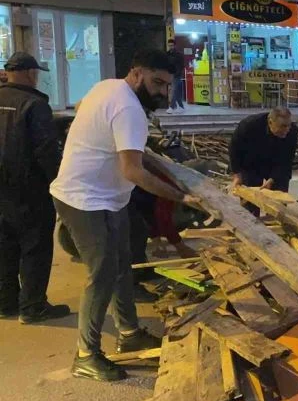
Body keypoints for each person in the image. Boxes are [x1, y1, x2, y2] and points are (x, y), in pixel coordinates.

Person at [50, 49, 201, 382]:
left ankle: (129, 332)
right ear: (136, 73)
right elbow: (132, 170)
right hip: (85, 200)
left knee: (122, 267)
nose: (161, 91)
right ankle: (86, 355)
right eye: (156, 82)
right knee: (102, 275)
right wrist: (181, 196)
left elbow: (99, 127)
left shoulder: (106, 87)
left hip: (108, 199)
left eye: (167, 85)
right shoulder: (129, 108)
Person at [0, 52, 70, 323]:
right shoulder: (34, 104)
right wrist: (59, 182)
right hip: (29, 189)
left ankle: (5, 303)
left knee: (5, 244)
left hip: (2, 190)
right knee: (35, 245)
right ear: (30, 73)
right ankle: (32, 306)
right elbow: (45, 150)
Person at [229, 107, 298, 216]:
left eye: (289, 125)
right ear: (271, 122)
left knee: (278, 203)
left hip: (276, 164)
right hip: (251, 163)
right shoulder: (249, 126)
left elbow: (287, 160)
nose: (287, 129)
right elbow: (234, 149)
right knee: (250, 202)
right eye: (283, 126)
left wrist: (273, 179)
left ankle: (278, 223)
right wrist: (237, 174)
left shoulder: (292, 131)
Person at [166, 39, 185, 114]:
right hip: (169, 75)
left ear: (175, 45)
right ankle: (181, 106)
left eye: (172, 45)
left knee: (174, 90)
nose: (170, 47)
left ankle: (172, 107)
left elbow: (181, 65)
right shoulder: (167, 54)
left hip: (177, 75)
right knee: (175, 91)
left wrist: (178, 73)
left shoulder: (179, 55)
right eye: (169, 45)